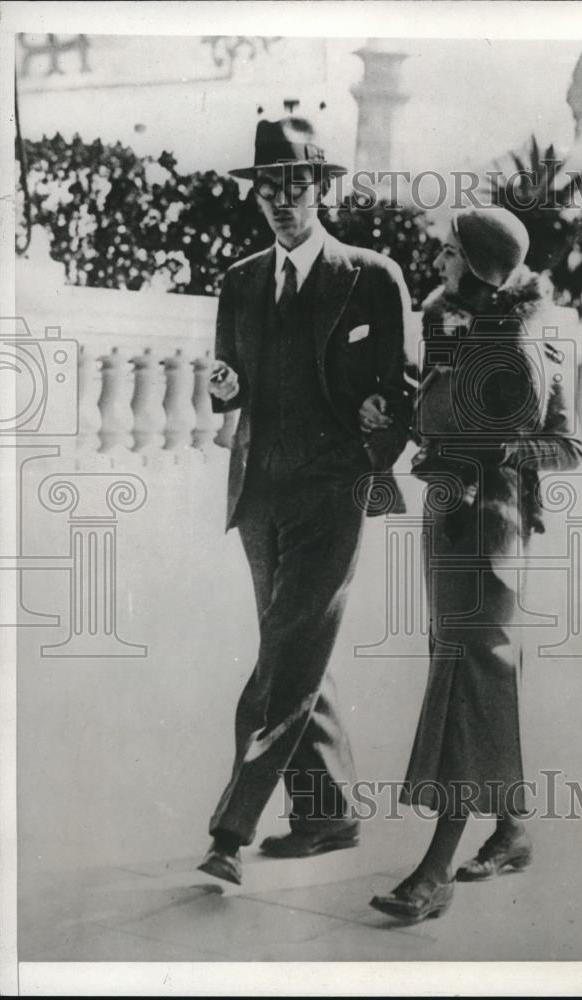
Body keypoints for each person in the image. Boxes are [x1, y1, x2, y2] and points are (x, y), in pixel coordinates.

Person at [198, 117, 412, 885]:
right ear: (255, 196)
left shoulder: (373, 276)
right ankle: (328, 816)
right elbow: (232, 382)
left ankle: (230, 829)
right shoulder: (240, 281)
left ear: (322, 189)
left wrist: (374, 439)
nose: (281, 201)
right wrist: (226, 388)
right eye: (268, 189)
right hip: (259, 496)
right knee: (294, 655)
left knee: (279, 671)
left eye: (296, 186)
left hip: (332, 495)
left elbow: (403, 387)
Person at [361, 207, 582, 922]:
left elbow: (566, 445)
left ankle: (435, 870)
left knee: (468, 672)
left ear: (484, 267)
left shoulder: (531, 333)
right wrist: (393, 425)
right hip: (444, 514)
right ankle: (513, 827)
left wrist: (493, 454)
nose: (439, 264)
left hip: (494, 524)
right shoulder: (444, 321)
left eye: (451, 254)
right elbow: (425, 406)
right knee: (469, 670)